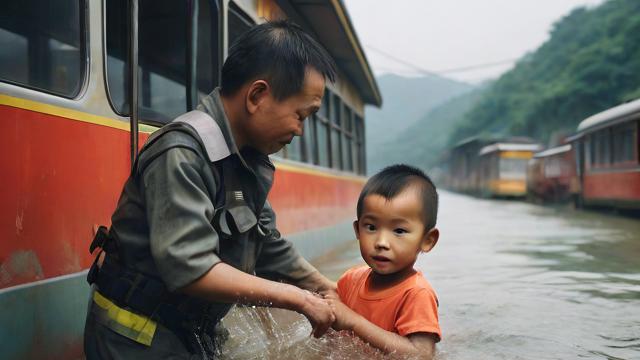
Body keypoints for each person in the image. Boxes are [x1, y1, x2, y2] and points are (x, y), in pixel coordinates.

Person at [84, 20, 339, 359]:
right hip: (135, 337)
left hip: (187, 331)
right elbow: (191, 268)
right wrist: (300, 299)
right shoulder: (181, 153)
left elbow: (266, 245)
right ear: (258, 96)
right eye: (301, 115)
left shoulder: (248, 161)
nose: (300, 130)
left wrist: (324, 286)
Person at [324, 164, 441, 359]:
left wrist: (354, 321)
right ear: (357, 230)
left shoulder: (416, 294)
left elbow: (421, 355)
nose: (381, 242)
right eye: (371, 227)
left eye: (399, 231)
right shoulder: (350, 280)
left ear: (427, 240)